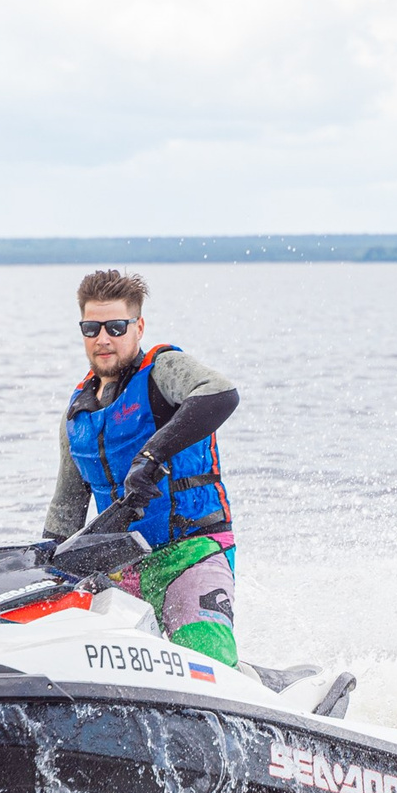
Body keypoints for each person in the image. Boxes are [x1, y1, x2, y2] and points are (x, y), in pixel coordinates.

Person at [42, 268, 242, 667]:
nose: (103, 338)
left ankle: (242, 683)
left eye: (116, 327)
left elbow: (221, 394)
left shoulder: (164, 371)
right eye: (92, 327)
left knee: (206, 663)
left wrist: (151, 457)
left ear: (138, 326)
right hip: (121, 575)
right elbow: (64, 517)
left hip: (192, 554)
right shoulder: (77, 418)